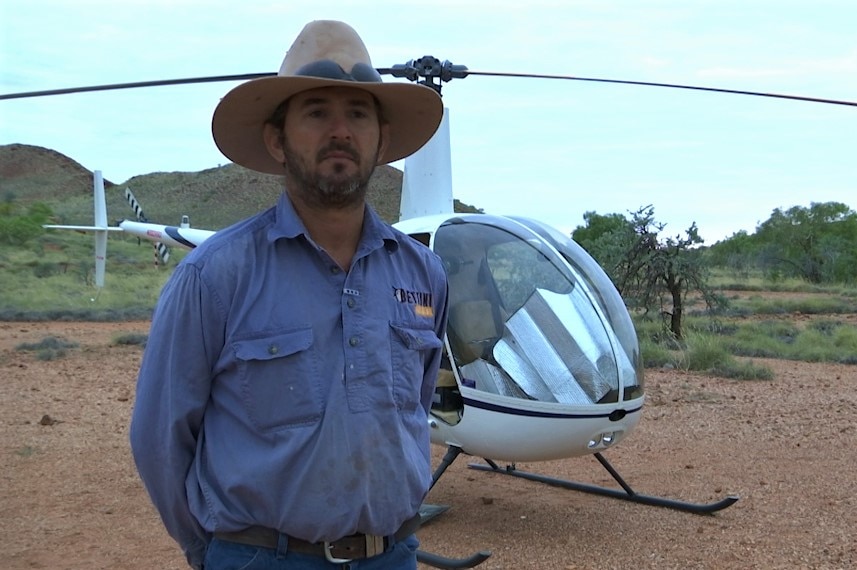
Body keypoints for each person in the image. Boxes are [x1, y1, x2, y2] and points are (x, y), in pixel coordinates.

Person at [129, 20, 449, 570]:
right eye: (317, 111)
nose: (340, 131)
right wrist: (212, 553)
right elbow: (160, 437)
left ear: (382, 140)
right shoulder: (215, 276)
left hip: (391, 555)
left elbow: (416, 411)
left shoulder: (422, 274)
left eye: (357, 113)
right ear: (278, 140)